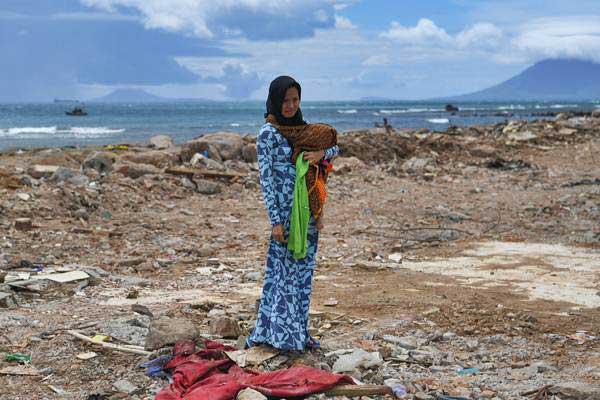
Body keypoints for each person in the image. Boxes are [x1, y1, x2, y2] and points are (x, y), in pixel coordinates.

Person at [246, 76, 339, 351]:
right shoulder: (268, 134)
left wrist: (321, 154)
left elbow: (335, 148)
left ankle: (298, 333)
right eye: (285, 101)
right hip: (285, 218)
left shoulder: (305, 131)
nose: (290, 105)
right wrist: (274, 220)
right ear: (275, 101)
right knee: (282, 275)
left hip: (307, 214)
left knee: (303, 275)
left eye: (295, 100)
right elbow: (267, 180)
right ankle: (279, 336)